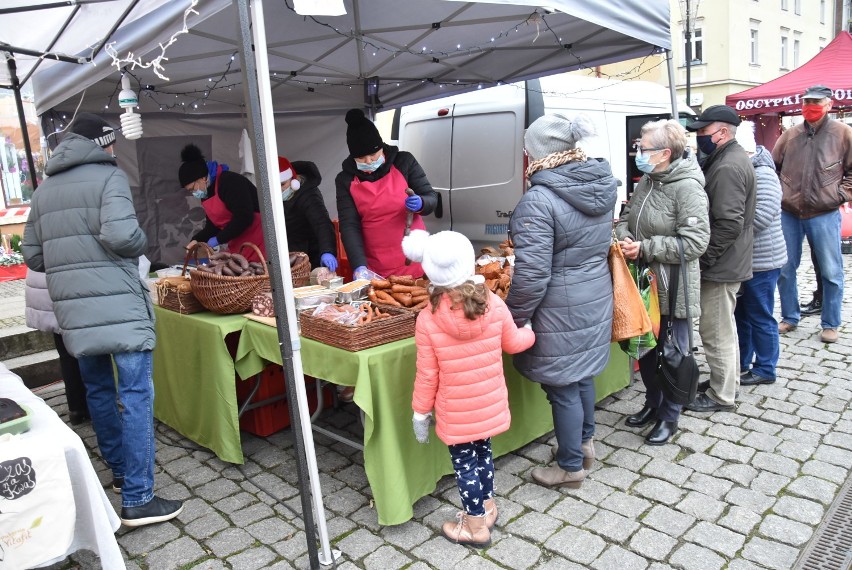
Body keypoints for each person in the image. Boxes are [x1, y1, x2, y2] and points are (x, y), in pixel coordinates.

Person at [22, 112, 183, 527]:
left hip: (74, 308)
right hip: (118, 306)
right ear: (105, 144)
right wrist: (142, 241)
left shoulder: (43, 191)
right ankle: (138, 497)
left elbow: (34, 256)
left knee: (97, 387)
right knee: (134, 394)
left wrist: (71, 259)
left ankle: (120, 474)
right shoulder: (109, 178)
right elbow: (120, 236)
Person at [404, 229, 535, 547]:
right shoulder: (493, 303)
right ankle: (488, 508)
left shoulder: (428, 318)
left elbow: (427, 375)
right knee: (484, 455)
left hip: (457, 411)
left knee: (465, 466)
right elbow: (515, 343)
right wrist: (530, 331)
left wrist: (420, 413)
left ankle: (475, 527)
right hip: (488, 404)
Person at [506, 113, 616, 487]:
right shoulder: (600, 183)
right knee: (581, 375)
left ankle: (569, 467)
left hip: (559, 306)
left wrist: (514, 315)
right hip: (593, 295)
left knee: (563, 388)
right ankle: (584, 445)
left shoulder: (539, 200)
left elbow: (533, 274)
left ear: (536, 152)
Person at [616, 119, 710, 445]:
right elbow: (627, 218)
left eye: (643, 148)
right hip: (644, 282)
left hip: (673, 285)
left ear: (665, 152)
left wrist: (646, 247)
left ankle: (670, 415)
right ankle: (653, 403)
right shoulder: (647, 180)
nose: (638, 152)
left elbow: (696, 242)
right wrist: (626, 238)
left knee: (672, 352)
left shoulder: (687, 188)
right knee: (644, 349)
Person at [684, 105, 755, 413]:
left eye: (703, 132)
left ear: (723, 133)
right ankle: (725, 382)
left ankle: (721, 395)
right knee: (722, 328)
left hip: (722, 264)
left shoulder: (728, 166)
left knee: (715, 331)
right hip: (728, 260)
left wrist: (703, 257)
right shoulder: (726, 159)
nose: (699, 137)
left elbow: (728, 223)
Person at [772, 84, 852, 344]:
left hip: (824, 213)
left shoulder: (843, 133)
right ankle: (790, 316)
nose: (810, 107)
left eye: (816, 103)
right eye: (807, 102)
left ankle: (830, 323)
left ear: (829, 104)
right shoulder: (791, 134)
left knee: (831, 271)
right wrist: (779, 193)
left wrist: (839, 195)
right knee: (785, 268)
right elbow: (773, 166)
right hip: (790, 212)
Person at [336, 108, 439, 280]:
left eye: (373, 154)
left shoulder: (404, 162)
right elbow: (349, 225)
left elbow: (431, 198)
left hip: (414, 256)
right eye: (361, 158)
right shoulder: (345, 180)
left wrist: (421, 203)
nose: (368, 161)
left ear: (382, 147)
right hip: (376, 265)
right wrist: (359, 265)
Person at [733, 121, 787, 386]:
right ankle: (743, 361)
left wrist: (728, 231)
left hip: (763, 261)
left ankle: (766, 368)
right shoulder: (748, 170)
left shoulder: (763, 174)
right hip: (746, 259)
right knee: (742, 315)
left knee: (760, 316)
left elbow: (761, 216)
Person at [24, 268, 90, 426]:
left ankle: (76, 408)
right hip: (65, 285)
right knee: (88, 351)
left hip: (47, 287)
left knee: (67, 354)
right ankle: (94, 408)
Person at [179, 143, 265, 262]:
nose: (193, 192)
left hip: (259, 241)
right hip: (239, 243)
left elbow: (244, 216)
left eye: (192, 188)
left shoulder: (229, 182)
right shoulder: (206, 191)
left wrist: (218, 239)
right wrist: (196, 240)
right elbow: (213, 226)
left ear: (202, 178)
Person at [278, 156, 338, 271]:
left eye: (282, 184)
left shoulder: (308, 194)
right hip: (289, 254)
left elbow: (322, 223)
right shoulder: (272, 199)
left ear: (293, 179)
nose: (279, 189)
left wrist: (327, 251)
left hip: (311, 252)